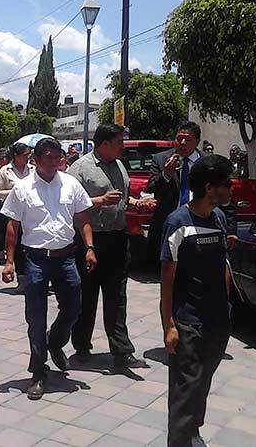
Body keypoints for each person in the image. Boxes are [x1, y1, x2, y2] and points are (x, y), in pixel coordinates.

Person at [0, 137, 96, 400]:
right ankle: (38, 370)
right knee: (36, 315)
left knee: (74, 306)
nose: (54, 162)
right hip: (35, 259)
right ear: (36, 160)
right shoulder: (22, 188)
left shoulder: (71, 184)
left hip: (66, 257)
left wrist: (89, 247)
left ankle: (54, 342)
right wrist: (9, 261)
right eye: (48, 158)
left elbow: (83, 218)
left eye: (58, 157)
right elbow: (12, 226)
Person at [68, 124, 156, 369]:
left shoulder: (118, 166)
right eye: (119, 142)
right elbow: (72, 205)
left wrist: (137, 204)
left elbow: (123, 198)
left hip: (118, 238)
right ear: (105, 144)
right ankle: (82, 345)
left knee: (117, 296)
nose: (123, 147)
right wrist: (100, 201)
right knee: (87, 296)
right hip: (90, 241)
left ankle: (121, 350)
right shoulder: (80, 169)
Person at [160, 154, 234, 447]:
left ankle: (193, 432)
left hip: (217, 320)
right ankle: (180, 439)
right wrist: (169, 325)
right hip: (188, 322)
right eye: (227, 183)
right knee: (185, 389)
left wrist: (226, 308)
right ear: (208, 187)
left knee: (202, 384)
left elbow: (223, 264)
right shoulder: (177, 222)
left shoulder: (219, 218)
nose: (232, 188)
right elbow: (166, 279)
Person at [147, 121, 203, 263]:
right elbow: (152, 188)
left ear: (197, 142)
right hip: (171, 224)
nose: (182, 143)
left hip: (199, 224)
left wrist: (230, 230)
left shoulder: (207, 162)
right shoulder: (160, 160)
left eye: (188, 139)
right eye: (179, 139)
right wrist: (166, 174)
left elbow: (223, 198)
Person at [0, 142, 34, 292]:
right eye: (25, 154)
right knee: (16, 245)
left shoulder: (33, 169)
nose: (28, 157)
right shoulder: (5, 171)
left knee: (30, 244)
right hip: (13, 212)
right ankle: (22, 279)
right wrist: (15, 191)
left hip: (31, 212)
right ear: (17, 156)